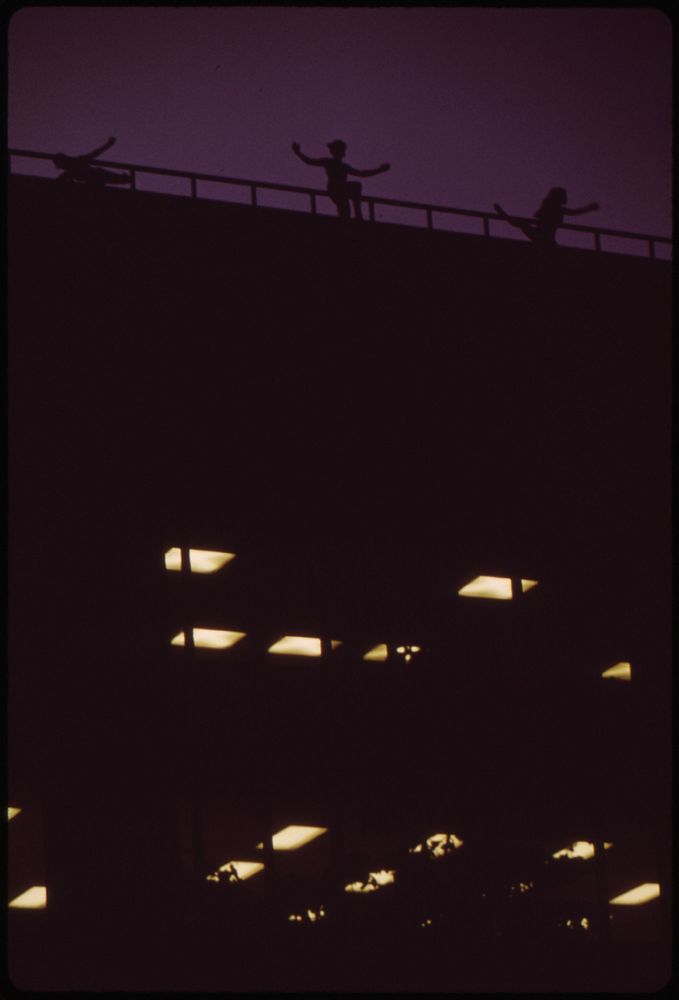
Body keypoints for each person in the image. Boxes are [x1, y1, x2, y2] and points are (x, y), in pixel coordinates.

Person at [291, 139, 389, 220]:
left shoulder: (344, 166)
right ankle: (357, 217)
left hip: (342, 190)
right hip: (335, 189)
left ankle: (358, 215)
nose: (342, 152)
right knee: (345, 209)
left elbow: (361, 174)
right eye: (341, 150)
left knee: (354, 191)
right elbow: (310, 161)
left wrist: (379, 170)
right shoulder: (328, 162)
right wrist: (298, 152)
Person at [493, 188, 599, 245]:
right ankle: (503, 214)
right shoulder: (554, 208)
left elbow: (574, 212)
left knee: (521, 224)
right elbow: (574, 212)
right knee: (522, 223)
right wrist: (588, 208)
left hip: (544, 237)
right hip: (542, 236)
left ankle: (503, 214)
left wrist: (588, 208)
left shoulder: (552, 208)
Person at [52, 136, 132, 185]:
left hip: (98, 176)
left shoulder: (75, 164)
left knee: (118, 179)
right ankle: (125, 178)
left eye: (60, 165)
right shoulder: (70, 170)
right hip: (96, 178)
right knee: (120, 179)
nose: (60, 168)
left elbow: (95, 153)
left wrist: (108, 144)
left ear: (63, 162)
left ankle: (125, 178)